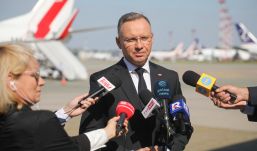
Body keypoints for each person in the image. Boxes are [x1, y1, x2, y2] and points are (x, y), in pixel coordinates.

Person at [79, 12, 193, 150]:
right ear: (118, 42)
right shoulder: (102, 80)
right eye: (131, 40)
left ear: (152, 38)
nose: (139, 45)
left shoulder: (170, 77)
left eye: (144, 38)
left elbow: (183, 128)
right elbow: (90, 135)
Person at [0, 44, 128, 151]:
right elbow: (70, 147)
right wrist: (108, 132)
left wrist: (66, 112)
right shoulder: (38, 121)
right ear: (11, 79)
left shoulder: (11, 120)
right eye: (35, 75)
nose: (42, 81)